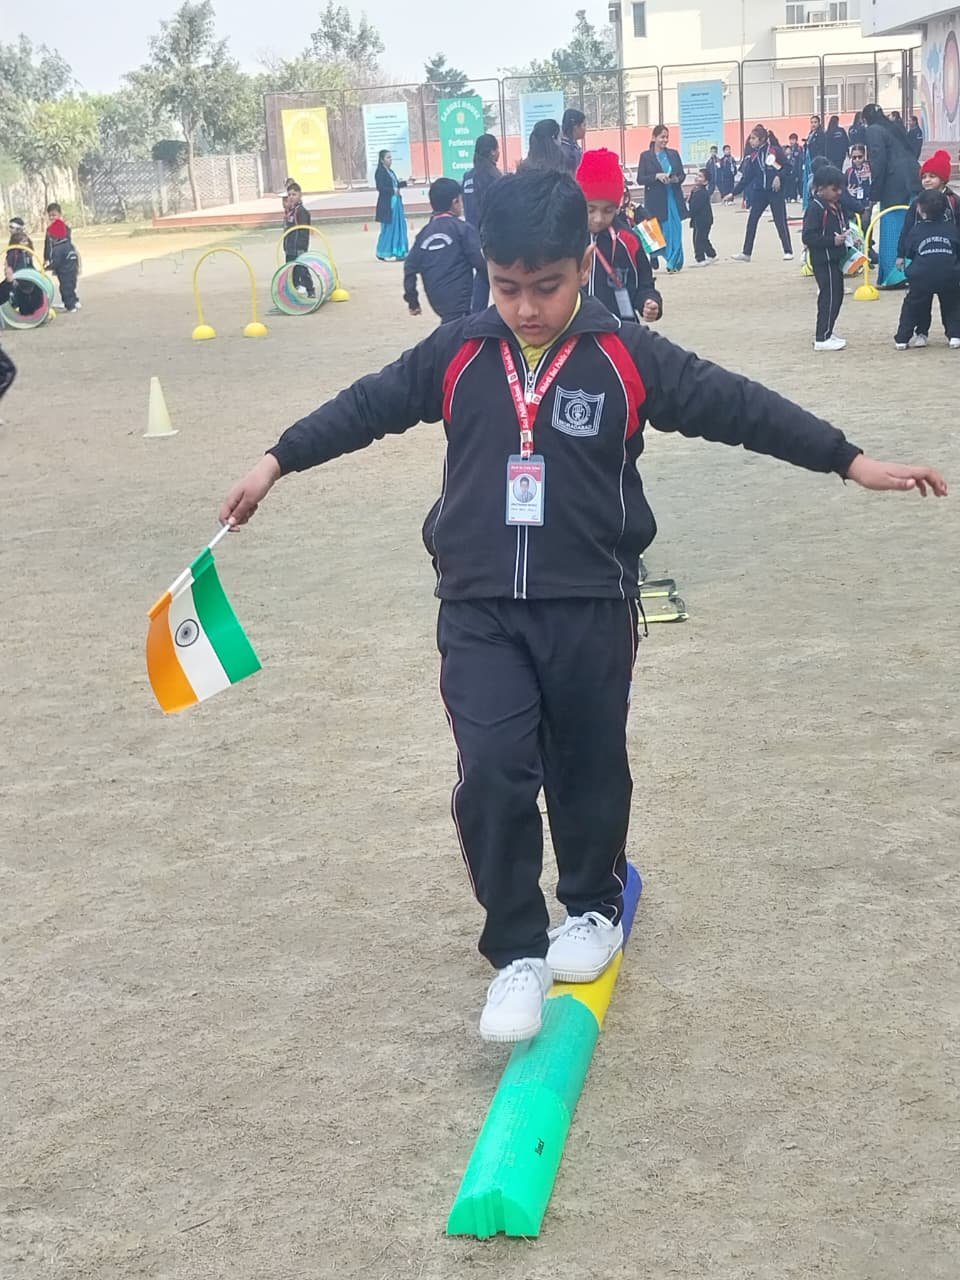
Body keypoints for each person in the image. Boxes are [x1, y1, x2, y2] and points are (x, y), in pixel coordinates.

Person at [218, 167, 946, 1045]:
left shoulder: (627, 353)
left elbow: (739, 407)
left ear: (586, 263)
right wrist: (276, 460)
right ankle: (518, 953)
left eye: (547, 286)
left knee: (588, 766)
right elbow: (365, 405)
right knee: (494, 770)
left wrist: (848, 460)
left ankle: (593, 907)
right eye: (506, 287)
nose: (525, 307)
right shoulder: (456, 352)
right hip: (479, 607)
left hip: (592, 603)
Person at [575, 148, 662, 321]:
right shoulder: (566, 238)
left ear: (617, 207)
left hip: (620, 330)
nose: (598, 219)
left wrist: (649, 302)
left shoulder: (628, 241)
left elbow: (644, 285)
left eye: (608, 210)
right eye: (590, 209)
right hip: (577, 330)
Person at [403, 178, 485, 324]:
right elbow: (479, 263)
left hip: (436, 300)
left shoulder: (424, 234)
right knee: (459, 330)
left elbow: (409, 267)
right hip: (459, 299)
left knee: (450, 326)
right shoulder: (463, 229)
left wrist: (412, 300)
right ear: (455, 202)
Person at [893, 189, 960, 350]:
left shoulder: (916, 230)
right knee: (952, 304)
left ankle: (903, 339)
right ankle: (955, 336)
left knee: (913, 306)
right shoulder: (952, 229)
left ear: (920, 209)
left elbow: (910, 251)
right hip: (949, 274)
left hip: (921, 275)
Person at [863, 104, 921, 288]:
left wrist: (874, 193)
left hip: (893, 185)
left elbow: (878, 161)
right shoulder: (895, 126)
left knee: (892, 229)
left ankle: (893, 276)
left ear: (866, 119)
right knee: (911, 225)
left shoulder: (874, 130)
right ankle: (913, 271)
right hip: (913, 178)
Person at [802, 165, 850, 353]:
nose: (839, 192)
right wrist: (832, 241)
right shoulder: (816, 208)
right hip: (823, 260)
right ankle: (821, 337)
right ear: (821, 188)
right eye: (834, 189)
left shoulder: (836, 206)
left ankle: (828, 331)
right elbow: (808, 237)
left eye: (840, 188)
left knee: (837, 296)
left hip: (836, 259)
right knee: (828, 297)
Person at [732, 125, 794, 262]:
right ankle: (746, 253)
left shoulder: (775, 151)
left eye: (753, 138)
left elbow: (787, 167)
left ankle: (788, 250)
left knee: (780, 221)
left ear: (762, 139)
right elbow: (747, 178)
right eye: (751, 138)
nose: (751, 141)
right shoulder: (754, 156)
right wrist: (733, 193)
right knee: (752, 220)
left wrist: (779, 177)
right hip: (760, 192)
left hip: (775, 192)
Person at [636, 125, 688, 272]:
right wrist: (656, 176)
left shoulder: (673, 154)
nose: (665, 140)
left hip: (673, 197)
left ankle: (673, 262)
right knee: (659, 232)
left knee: (675, 230)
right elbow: (640, 179)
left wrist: (676, 179)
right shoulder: (646, 156)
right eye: (662, 137)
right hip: (656, 199)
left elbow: (682, 175)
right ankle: (657, 255)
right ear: (654, 138)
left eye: (666, 137)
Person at [462, 134, 502, 311]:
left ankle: (476, 312)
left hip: (471, 233)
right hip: (490, 234)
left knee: (482, 274)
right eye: (497, 149)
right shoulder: (492, 175)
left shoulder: (468, 176)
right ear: (492, 152)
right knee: (492, 275)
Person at [897, 150, 960, 256]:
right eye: (924, 177)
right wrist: (901, 254)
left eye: (932, 176)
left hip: (950, 255)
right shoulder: (918, 202)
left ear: (943, 179)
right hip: (922, 253)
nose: (927, 180)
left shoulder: (954, 201)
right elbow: (907, 229)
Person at [43, 203, 80, 312]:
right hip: (64, 260)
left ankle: (71, 304)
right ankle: (71, 301)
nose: (52, 217)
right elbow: (47, 246)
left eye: (54, 215)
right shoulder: (51, 230)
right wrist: (46, 258)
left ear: (59, 215)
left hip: (66, 259)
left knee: (68, 282)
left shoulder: (64, 229)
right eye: (50, 215)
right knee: (67, 282)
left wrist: (51, 264)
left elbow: (60, 246)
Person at [374, 150, 409, 262]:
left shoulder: (391, 172)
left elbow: (396, 184)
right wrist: (393, 191)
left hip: (396, 202)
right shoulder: (380, 172)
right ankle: (382, 251)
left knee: (399, 226)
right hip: (388, 204)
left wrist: (406, 182)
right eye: (388, 158)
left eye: (391, 157)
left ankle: (400, 252)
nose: (390, 160)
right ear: (382, 160)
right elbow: (380, 188)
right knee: (389, 228)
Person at [282, 183, 314, 299]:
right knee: (291, 270)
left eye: (294, 194)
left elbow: (304, 230)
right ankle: (293, 290)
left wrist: (302, 246)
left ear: (300, 195)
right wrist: (285, 245)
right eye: (289, 195)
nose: (291, 197)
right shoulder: (290, 211)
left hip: (299, 247)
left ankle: (310, 290)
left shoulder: (301, 211)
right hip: (289, 247)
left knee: (302, 269)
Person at [687, 168, 717, 266]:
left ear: (705, 182)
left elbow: (695, 207)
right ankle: (711, 254)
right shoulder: (696, 190)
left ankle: (700, 259)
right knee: (703, 238)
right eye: (697, 175)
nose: (697, 178)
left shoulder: (701, 192)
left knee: (698, 240)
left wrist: (687, 214)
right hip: (699, 219)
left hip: (703, 220)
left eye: (700, 176)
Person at [847, 145, 873, 230]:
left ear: (864, 156)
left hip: (867, 204)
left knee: (865, 225)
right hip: (853, 205)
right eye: (854, 157)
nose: (857, 160)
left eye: (860, 157)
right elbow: (842, 187)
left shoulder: (871, 170)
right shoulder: (849, 172)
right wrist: (848, 191)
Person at [560, 108, 587, 174]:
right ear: (575, 127)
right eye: (584, 125)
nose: (585, 129)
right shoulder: (565, 150)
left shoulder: (573, 146)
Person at [784, 134, 803, 202]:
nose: (791, 141)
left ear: (796, 140)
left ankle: (798, 196)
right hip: (789, 169)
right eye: (790, 140)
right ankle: (789, 196)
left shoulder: (799, 149)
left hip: (797, 168)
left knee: (797, 182)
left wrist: (799, 169)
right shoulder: (788, 148)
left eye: (793, 140)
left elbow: (800, 160)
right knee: (789, 183)